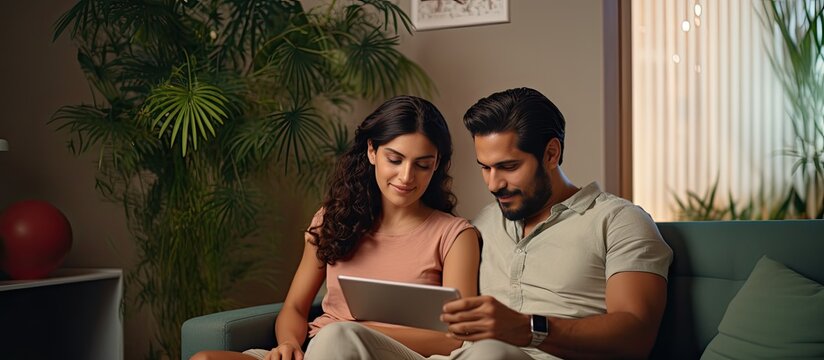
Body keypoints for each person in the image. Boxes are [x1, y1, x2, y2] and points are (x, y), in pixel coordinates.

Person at [304, 87, 673, 360]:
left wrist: (530, 329)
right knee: (336, 339)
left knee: (489, 355)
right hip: (459, 357)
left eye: (509, 167)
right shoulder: (483, 222)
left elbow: (637, 333)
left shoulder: (619, 221)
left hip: (520, 357)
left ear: (551, 154)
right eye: (485, 167)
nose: (494, 183)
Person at [190, 95, 480, 360]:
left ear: (436, 164)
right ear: (371, 152)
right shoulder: (334, 219)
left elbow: (455, 338)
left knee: (338, 336)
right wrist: (289, 343)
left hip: (393, 355)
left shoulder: (454, 235)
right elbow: (294, 308)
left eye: (422, 165)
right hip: (317, 351)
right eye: (395, 159)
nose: (406, 176)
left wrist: (359, 332)